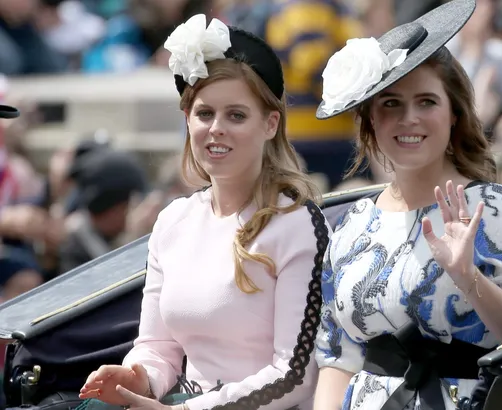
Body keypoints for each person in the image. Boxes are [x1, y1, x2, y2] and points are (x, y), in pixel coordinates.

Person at [312, 0, 502, 409]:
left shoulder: (493, 210)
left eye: (426, 102)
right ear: (371, 119)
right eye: (391, 103)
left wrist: (467, 277)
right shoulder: (353, 223)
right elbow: (338, 356)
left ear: (455, 115)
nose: (409, 118)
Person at [77, 14, 329, 410]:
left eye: (237, 115)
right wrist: (138, 378)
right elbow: (158, 347)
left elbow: (295, 376)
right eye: (205, 113)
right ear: (188, 120)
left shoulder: (297, 222)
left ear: (270, 124)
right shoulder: (173, 220)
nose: (216, 129)